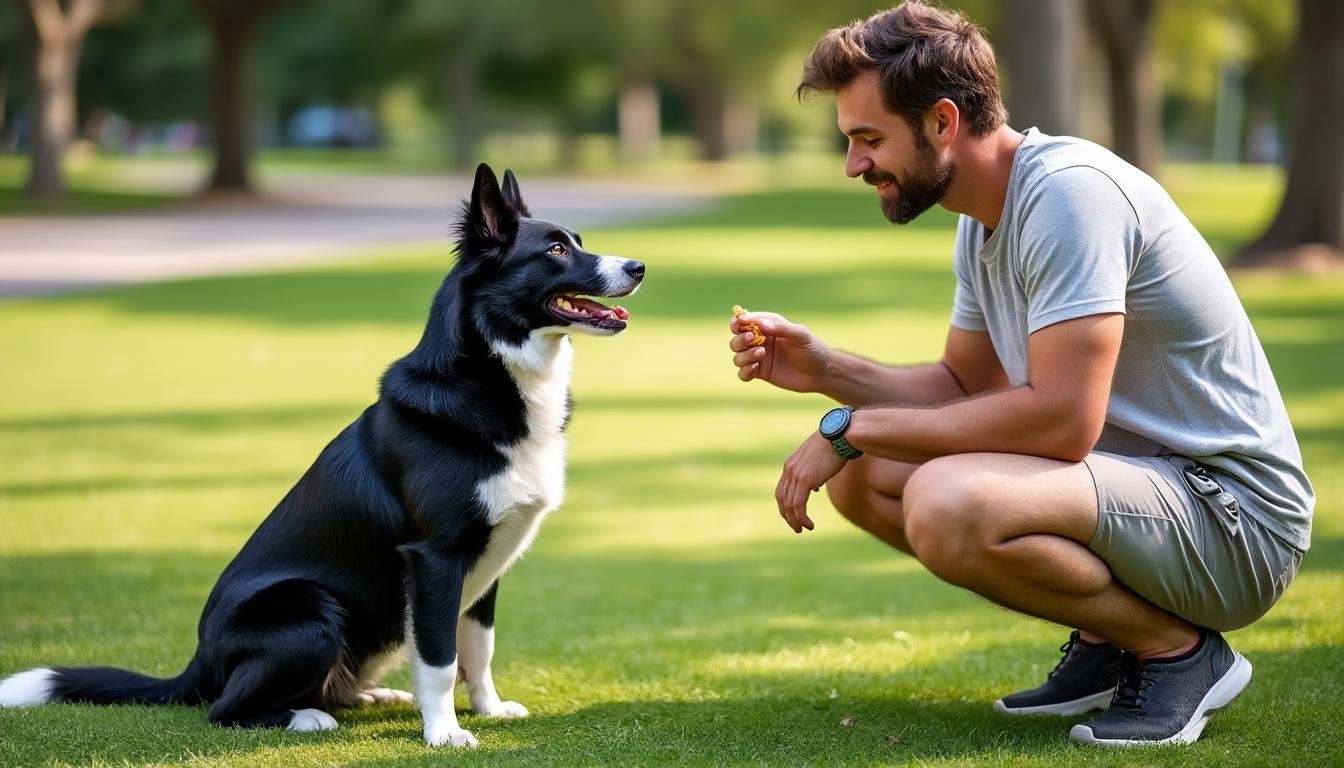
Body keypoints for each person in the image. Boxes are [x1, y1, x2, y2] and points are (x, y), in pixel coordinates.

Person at [727, 0, 1313, 747]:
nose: (855, 165)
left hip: (1236, 521)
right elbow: (963, 389)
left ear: (942, 121)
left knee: (944, 499)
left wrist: (851, 427)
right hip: (1146, 499)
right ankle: (1109, 644)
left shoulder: (1068, 195)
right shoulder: (983, 221)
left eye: (869, 139)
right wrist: (826, 371)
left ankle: (1179, 654)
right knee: (865, 476)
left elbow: (1062, 423)